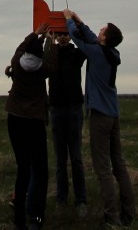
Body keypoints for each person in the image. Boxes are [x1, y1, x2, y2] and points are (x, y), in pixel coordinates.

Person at [63, 9, 136, 228]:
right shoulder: (113, 53)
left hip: (101, 117)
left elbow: (77, 39)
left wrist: (68, 21)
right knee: (119, 165)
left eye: (103, 29)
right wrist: (79, 20)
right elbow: (93, 38)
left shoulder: (96, 53)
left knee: (103, 168)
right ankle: (129, 213)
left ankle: (111, 217)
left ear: (105, 37)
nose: (100, 30)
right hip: (114, 115)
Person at [5, 23, 57, 230]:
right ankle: (36, 217)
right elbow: (53, 63)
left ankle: (18, 219)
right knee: (41, 170)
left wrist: (35, 34)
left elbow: (20, 48)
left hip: (15, 119)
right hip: (34, 123)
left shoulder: (17, 62)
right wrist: (51, 42)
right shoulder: (43, 69)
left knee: (23, 169)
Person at [48, 32, 88, 217]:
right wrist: (49, 39)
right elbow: (42, 56)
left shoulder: (77, 53)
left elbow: (89, 43)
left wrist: (75, 27)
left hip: (73, 109)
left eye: (66, 34)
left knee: (76, 158)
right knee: (60, 160)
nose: (63, 38)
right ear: (55, 37)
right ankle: (61, 200)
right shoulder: (51, 53)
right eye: (59, 35)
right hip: (56, 110)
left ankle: (81, 201)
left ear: (70, 37)